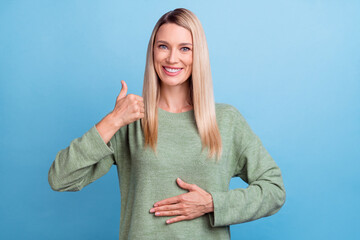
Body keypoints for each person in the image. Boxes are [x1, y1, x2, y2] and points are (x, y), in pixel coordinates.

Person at [48, 8, 286, 240]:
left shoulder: (226, 120)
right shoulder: (130, 120)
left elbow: (274, 190)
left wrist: (212, 203)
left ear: (197, 55)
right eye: (163, 46)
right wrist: (113, 120)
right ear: (152, 51)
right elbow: (60, 179)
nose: (172, 58)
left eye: (185, 48)